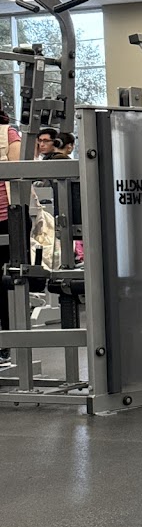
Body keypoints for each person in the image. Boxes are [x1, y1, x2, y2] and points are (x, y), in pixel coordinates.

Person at [0, 110, 21, 366]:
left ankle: (5, 343)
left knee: (4, 283)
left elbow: (18, 173)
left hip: (6, 218)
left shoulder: (8, 134)